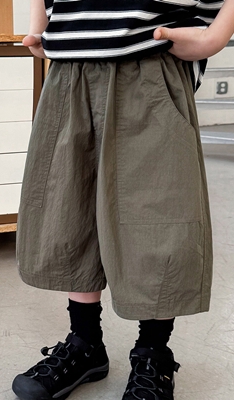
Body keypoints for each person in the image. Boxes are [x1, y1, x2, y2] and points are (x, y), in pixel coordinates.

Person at [12, 0, 234, 399]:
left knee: (160, 216)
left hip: (149, 59)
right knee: (70, 207)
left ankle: (153, 353)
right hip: (69, 68)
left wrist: (218, 34)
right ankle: (85, 343)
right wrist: (41, 22)